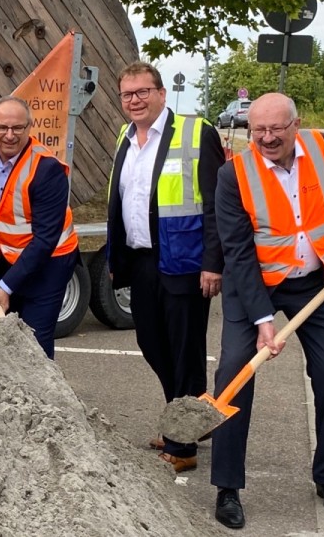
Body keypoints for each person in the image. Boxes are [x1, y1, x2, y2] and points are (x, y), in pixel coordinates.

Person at [210, 93, 324, 529]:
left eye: (275, 129)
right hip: (254, 285)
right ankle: (227, 487)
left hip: (316, 284)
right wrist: (263, 321)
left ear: (295, 124)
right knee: (233, 376)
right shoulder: (233, 174)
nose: (265, 138)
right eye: (257, 130)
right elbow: (237, 252)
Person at [105, 61, 226, 473]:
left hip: (186, 262)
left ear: (160, 93)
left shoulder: (196, 132)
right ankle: (187, 415)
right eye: (127, 94)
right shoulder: (126, 136)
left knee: (185, 349)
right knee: (153, 345)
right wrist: (114, 258)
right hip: (141, 260)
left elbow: (215, 204)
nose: (134, 101)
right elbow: (121, 202)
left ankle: (183, 442)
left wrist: (214, 262)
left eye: (142, 92)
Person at [0, 97, 78, 358]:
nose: (10, 135)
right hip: (4, 255)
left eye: (18, 128)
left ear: (30, 127)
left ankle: (41, 397)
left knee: (34, 340)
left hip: (49, 262)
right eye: (2, 128)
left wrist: (6, 287)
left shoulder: (47, 170)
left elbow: (45, 240)